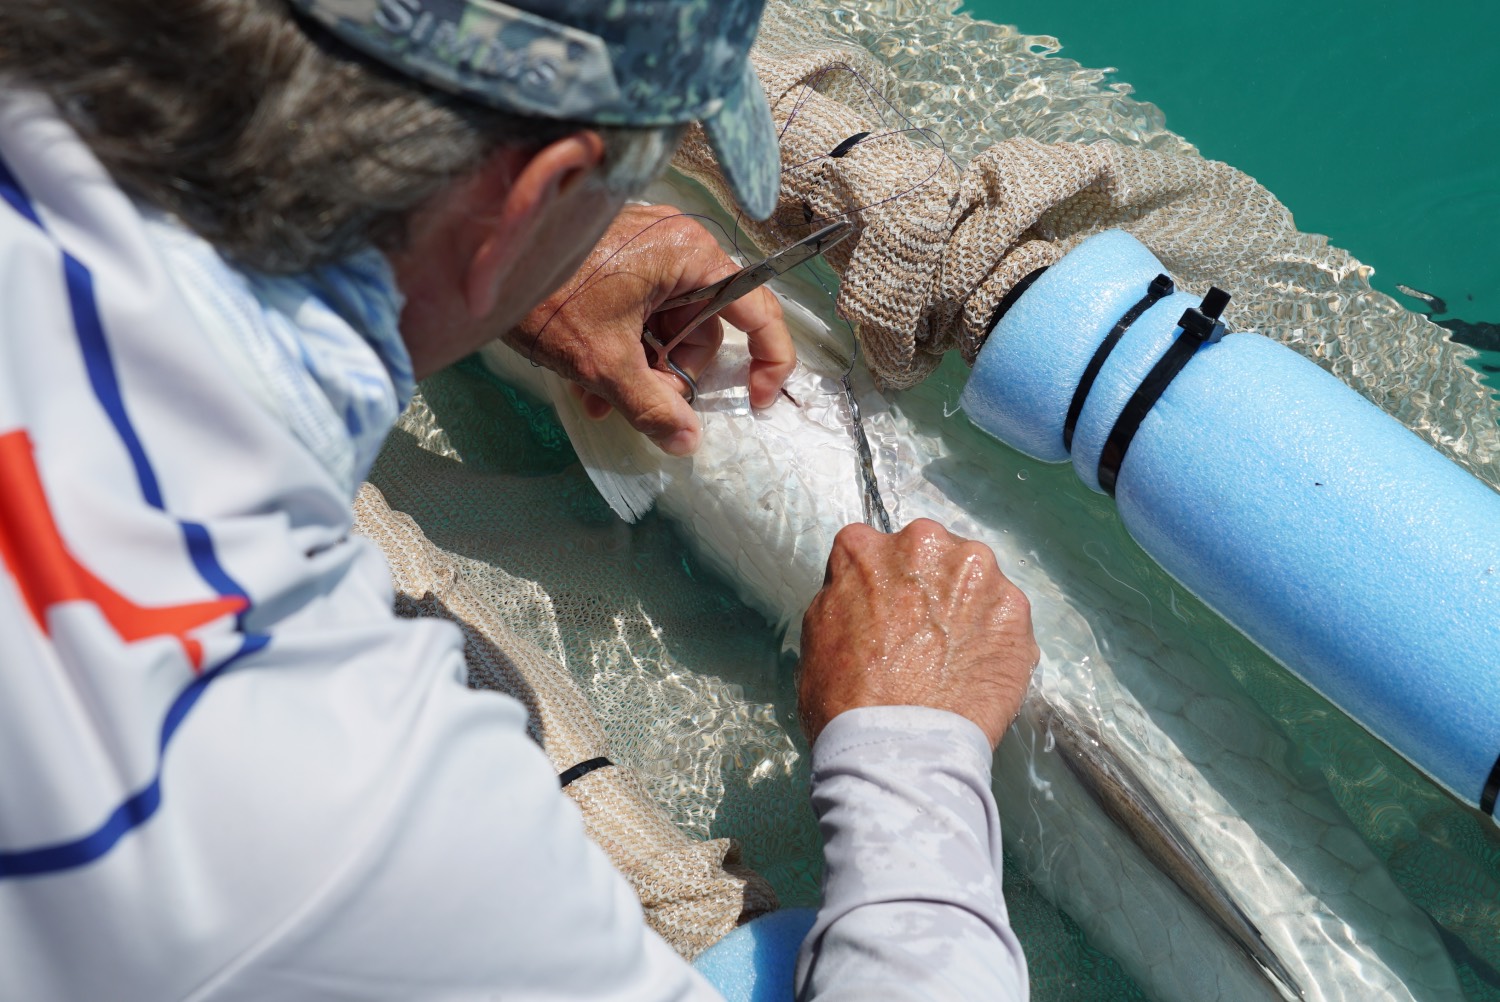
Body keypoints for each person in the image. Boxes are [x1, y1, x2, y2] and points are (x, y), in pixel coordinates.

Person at [0, 0, 1038, 998]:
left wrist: (474, 269)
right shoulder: (333, 800)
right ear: (531, 195)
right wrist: (908, 750)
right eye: (620, 183)